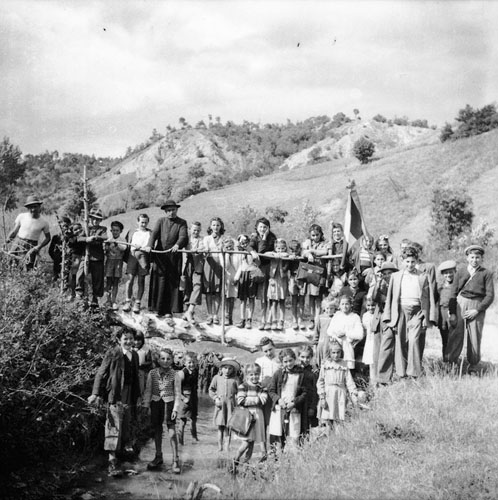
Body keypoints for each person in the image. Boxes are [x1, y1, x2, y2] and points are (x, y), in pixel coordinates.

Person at [87, 329, 140, 477]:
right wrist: (95, 393)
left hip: (129, 394)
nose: (129, 341)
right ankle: (112, 461)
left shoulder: (135, 355)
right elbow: (101, 372)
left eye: (131, 339)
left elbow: (136, 377)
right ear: (118, 340)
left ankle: (123, 456)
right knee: (113, 426)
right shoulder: (113, 353)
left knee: (126, 425)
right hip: (115, 394)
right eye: (125, 339)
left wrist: (138, 396)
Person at [382, 246, 437, 378]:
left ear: (417, 261)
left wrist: (428, 317)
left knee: (414, 340)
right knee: (400, 342)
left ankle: (414, 373)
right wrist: (389, 317)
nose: (410, 265)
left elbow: (429, 298)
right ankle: (401, 373)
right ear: (402, 261)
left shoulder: (423, 276)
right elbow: (390, 298)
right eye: (407, 262)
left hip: (417, 312)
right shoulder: (396, 276)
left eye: (413, 262)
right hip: (401, 310)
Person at [448, 245, 495, 372]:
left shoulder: (486, 273)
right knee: (456, 333)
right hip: (461, 303)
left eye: (477, 257)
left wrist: (477, 310)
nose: (475, 260)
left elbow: (490, 295)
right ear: (467, 258)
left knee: (475, 335)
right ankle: (452, 364)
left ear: (482, 258)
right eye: (472, 257)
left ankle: (473, 366)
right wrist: (452, 312)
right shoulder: (461, 271)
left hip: (477, 305)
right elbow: (453, 292)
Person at [146, 200, 188, 324]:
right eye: (169, 210)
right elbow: (154, 234)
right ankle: (157, 309)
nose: (171, 212)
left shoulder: (182, 222)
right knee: (159, 281)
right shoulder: (161, 221)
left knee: (171, 283)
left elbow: (183, 236)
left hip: (174, 257)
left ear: (176, 210)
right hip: (160, 256)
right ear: (165, 211)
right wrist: (149, 246)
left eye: (173, 210)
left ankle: (169, 311)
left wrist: (177, 245)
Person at [142, 348, 182, 473]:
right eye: (163, 358)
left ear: (172, 360)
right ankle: (158, 456)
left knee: (172, 432)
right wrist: (146, 405)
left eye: (168, 359)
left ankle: (175, 460)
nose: (165, 361)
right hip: (155, 403)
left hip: (169, 404)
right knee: (157, 430)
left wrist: (175, 409)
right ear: (158, 360)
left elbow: (178, 393)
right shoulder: (152, 373)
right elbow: (148, 390)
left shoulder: (175, 374)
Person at [268, 348, 309, 450]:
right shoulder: (278, 374)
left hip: (294, 408)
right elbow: (271, 390)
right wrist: (278, 400)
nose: (289, 363)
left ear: (295, 359)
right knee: (280, 434)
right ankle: (279, 455)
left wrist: (294, 402)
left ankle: (294, 454)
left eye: (290, 360)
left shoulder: (301, 374)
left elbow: (305, 392)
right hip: (280, 408)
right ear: (282, 362)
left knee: (294, 434)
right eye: (285, 361)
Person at [231, 363, 268, 472]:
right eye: (251, 375)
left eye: (256, 374)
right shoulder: (243, 386)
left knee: (252, 441)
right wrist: (256, 399)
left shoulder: (261, 387)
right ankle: (236, 458)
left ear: (259, 374)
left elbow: (263, 400)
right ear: (247, 375)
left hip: (258, 415)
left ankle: (246, 463)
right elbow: (241, 400)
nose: (254, 377)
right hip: (247, 416)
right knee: (246, 441)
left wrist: (251, 400)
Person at [317, 341, 358, 433]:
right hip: (328, 394)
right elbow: (320, 382)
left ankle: (339, 436)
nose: (336, 355)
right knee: (328, 419)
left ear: (341, 352)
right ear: (329, 353)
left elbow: (349, 381)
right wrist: (322, 397)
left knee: (339, 419)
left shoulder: (344, 364)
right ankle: (329, 436)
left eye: (338, 352)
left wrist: (353, 393)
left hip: (340, 394)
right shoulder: (326, 365)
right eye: (333, 353)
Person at [248, 217, 277, 330]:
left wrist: (264, 239)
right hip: (259, 268)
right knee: (261, 296)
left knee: (269, 295)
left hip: (270, 268)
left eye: (265, 227)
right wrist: (252, 251)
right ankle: (261, 320)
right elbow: (250, 246)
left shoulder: (272, 237)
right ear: (257, 227)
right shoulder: (255, 237)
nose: (262, 229)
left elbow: (262, 251)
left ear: (268, 228)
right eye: (260, 227)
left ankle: (269, 320)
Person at [7, 195, 50, 270]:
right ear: (27, 208)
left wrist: (39, 247)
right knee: (12, 264)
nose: (33, 209)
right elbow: (14, 231)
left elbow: (48, 238)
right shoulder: (21, 216)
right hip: (18, 242)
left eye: (35, 206)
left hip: (31, 246)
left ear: (39, 207)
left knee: (28, 267)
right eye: (30, 207)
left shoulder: (44, 222)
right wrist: (7, 240)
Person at [372, 262, 398, 385]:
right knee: (378, 350)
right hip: (379, 319)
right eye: (385, 274)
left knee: (387, 348)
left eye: (390, 273)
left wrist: (387, 300)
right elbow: (374, 297)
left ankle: (384, 378)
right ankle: (376, 378)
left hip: (391, 319)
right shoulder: (380, 285)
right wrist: (377, 284)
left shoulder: (398, 285)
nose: (387, 276)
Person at [76, 208, 108, 306]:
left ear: (100, 220)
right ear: (90, 219)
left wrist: (96, 238)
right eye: (93, 219)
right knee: (80, 273)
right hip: (86, 256)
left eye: (97, 219)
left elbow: (105, 237)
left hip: (97, 257)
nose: (95, 221)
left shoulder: (102, 229)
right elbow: (79, 238)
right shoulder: (86, 228)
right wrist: (87, 239)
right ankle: (79, 292)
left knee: (97, 278)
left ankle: (95, 298)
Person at [209, 358, 240, 451]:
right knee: (220, 426)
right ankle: (220, 447)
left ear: (233, 370)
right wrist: (215, 398)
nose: (227, 370)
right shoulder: (216, 378)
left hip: (231, 406)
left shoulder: (235, 379)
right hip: (220, 406)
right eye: (225, 368)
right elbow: (211, 390)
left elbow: (240, 391)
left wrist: (238, 402)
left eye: (230, 368)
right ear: (221, 369)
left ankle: (227, 447)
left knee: (228, 427)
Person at [301, 224, 329, 329]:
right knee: (311, 296)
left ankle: (318, 318)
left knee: (318, 297)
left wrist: (312, 251)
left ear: (321, 234)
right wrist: (308, 254)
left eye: (317, 235)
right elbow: (303, 252)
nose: (315, 237)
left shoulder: (324, 243)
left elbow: (325, 251)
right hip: (310, 272)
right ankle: (312, 318)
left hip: (320, 272)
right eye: (313, 235)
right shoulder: (308, 243)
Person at [326, 294, 364, 369]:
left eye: (347, 304)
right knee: (336, 367)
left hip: (348, 346)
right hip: (337, 346)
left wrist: (346, 333)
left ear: (351, 305)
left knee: (347, 367)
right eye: (342, 304)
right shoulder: (337, 316)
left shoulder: (355, 317)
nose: (344, 306)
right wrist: (335, 335)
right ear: (339, 305)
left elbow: (360, 335)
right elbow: (329, 331)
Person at [123, 214, 151, 314]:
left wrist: (146, 248)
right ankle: (128, 301)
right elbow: (126, 244)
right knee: (130, 280)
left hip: (143, 257)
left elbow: (151, 245)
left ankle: (137, 303)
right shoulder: (132, 232)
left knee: (141, 280)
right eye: (141, 222)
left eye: (145, 222)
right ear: (137, 222)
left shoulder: (150, 233)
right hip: (132, 256)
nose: (143, 224)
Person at [202, 217, 226, 325]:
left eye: (218, 225)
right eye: (214, 225)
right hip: (209, 264)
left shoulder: (223, 239)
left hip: (219, 265)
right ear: (210, 226)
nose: (216, 227)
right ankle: (209, 314)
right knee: (208, 291)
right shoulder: (207, 238)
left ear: (221, 226)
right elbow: (205, 249)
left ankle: (216, 315)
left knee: (217, 291)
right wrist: (206, 250)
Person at [182, 221, 205, 324]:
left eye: (198, 230)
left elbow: (203, 247)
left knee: (197, 285)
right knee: (187, 287)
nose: (196, 232)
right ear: (190, 229)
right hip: (187, 264)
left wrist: (198, 250)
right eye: (194, 230)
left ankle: (190, 310)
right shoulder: (186, 239)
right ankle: (186, 312)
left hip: (197, 265)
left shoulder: (202, 239)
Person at [265, 238, 290, 330]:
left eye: (282, 248)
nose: (280, 250)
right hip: (274, 279)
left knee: (282, 301)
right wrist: (274, 254)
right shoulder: (273, 255)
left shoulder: (286, 255)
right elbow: (265, 254)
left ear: (285, 248)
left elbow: (288, 255)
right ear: (275, 248)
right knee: (273, 301)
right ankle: (274, 320)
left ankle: (281, 321)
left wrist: (283, 254)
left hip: (283, 280)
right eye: (278, 249)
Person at [233, 234, 257, 329]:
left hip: (251, 274)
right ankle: (242, 319)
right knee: (243, 299)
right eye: (242, 243)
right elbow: (240, 266)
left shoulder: (252, 251)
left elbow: (257, 261)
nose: (244, 244)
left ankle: (249, 319)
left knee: (251, 298)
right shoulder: (239, 253)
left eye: (246, 242)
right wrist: (236, 277)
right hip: (243, 274)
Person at [436, 260, 458, 362]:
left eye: (450, 272)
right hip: (442, 314)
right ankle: (445, 362)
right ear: (442, 274)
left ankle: (453, 362)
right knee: (445, 339)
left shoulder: (458, 286)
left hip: (454, 313)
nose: (448, 275)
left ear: (455, 272)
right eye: (446, 273)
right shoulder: (439, 287)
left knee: (454, 338)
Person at [177, 352, 200, 445]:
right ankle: (180, 442)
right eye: (189, 362)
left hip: (193, 398)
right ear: (184, 363)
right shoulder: (182, 373)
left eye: (194, 362)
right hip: (184, 400)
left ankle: (195, 440)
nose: (192, 364)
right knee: (182, 421)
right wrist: (183, 398)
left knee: (193, 419)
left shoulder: (195, 371)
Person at [104, 221, 127, 310]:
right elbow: (105, 250)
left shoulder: (123, 240)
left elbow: (124, 248)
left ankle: (114, 301)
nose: (115, 232)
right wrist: (107, 245)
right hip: (109, 262)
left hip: (118, 262)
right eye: (113, 230)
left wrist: (117, 243)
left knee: (115, 282)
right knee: (109, 281)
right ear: (111, 230)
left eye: (117, 230)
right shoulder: (109, 239)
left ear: (120, 231)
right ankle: (108, 300)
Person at [298, 345, 319, 432]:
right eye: (302, 357)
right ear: (298, 357)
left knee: (310, 428)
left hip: (309, 402)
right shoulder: (296, 369)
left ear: (311, 357)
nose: (305, 360)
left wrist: (313, 407)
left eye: (308, 357)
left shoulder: (313, 371)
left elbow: (316, 390)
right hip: (299, 402)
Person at [287, 240, 306, 330]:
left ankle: (300, 320)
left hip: (302, 278)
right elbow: (285, 267)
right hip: (293, 278)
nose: (294, 252)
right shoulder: (289, 257)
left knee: (301, 299)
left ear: (299, 249)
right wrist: (290, 258)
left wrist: (302, 256)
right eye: (292, 250)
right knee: (294, 299)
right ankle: (294, 320)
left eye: (296, 250)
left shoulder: (303, 256)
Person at [314, 299, 337, 366]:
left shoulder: (336, 318)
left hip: (331, 343)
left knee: (329, 361)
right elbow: (316, 331)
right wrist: (315, 345)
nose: (329, 310)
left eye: (331, 308)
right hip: (321, 342)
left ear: (335, 308)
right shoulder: (320, 317)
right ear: (324, 308)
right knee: (320, 360)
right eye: (327, 308)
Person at [48, 216, 71, 282]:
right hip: (57, 260)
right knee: (56, 276)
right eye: (63, 226)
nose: (65, 228)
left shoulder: (71, 238)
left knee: (65, 277)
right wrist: (55, 258)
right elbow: (50, 250)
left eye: (66, 226)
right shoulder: (56, 237)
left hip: (67, 260)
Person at [361, 298, 377, 385]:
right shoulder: (365, 315)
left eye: (373, 305)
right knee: (371, 361)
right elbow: (365, 328)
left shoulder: (378, 314)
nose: (370, 308)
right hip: (369, 340)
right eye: (368, 305)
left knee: (376, 360)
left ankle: (377, 380)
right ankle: (372, 381)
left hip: (376, 339)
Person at [133, 331, 152, 399]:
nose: (136, 342)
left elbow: (149, 361)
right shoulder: (130, 349)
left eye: (139, 340)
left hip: (141, 372)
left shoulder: (146, 349)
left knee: (141, 388)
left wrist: (142, 364)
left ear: (142, 340)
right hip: (131, 372)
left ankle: (141, 400)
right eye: (135, 340)